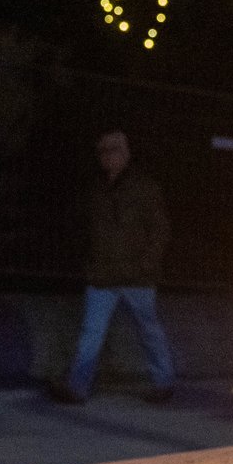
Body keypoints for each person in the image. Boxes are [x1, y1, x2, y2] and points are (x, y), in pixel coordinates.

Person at [51, 130, 176, 404]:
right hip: (104, 276)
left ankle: (164, 382)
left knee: (148, 332)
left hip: (136, 277)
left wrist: (146, 264)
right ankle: (78, 387)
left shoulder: (144, 187)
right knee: (92, 334)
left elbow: (159, 231)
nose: (108, 157)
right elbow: (86, 230)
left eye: (114, 150)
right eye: (104, 152)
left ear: (126, 153)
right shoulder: (97, 190)